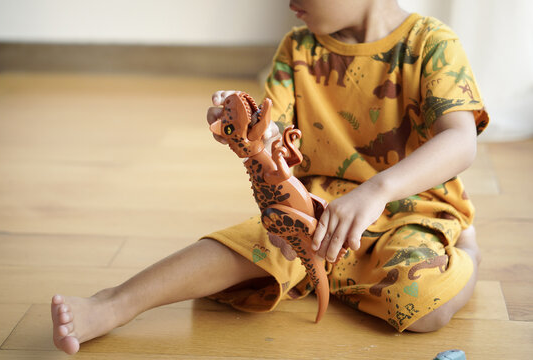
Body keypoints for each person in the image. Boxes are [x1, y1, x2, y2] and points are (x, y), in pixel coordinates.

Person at [51, 0, 488, 354]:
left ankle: (467, 253)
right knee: (245, 247)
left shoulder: (432, 43)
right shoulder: (298, 48)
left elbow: (460, 142)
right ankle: (114, 303)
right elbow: (271, 129)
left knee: (425, 310)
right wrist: (237, 119)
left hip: (410, 209)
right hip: (313, 210)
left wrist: (378, 190)